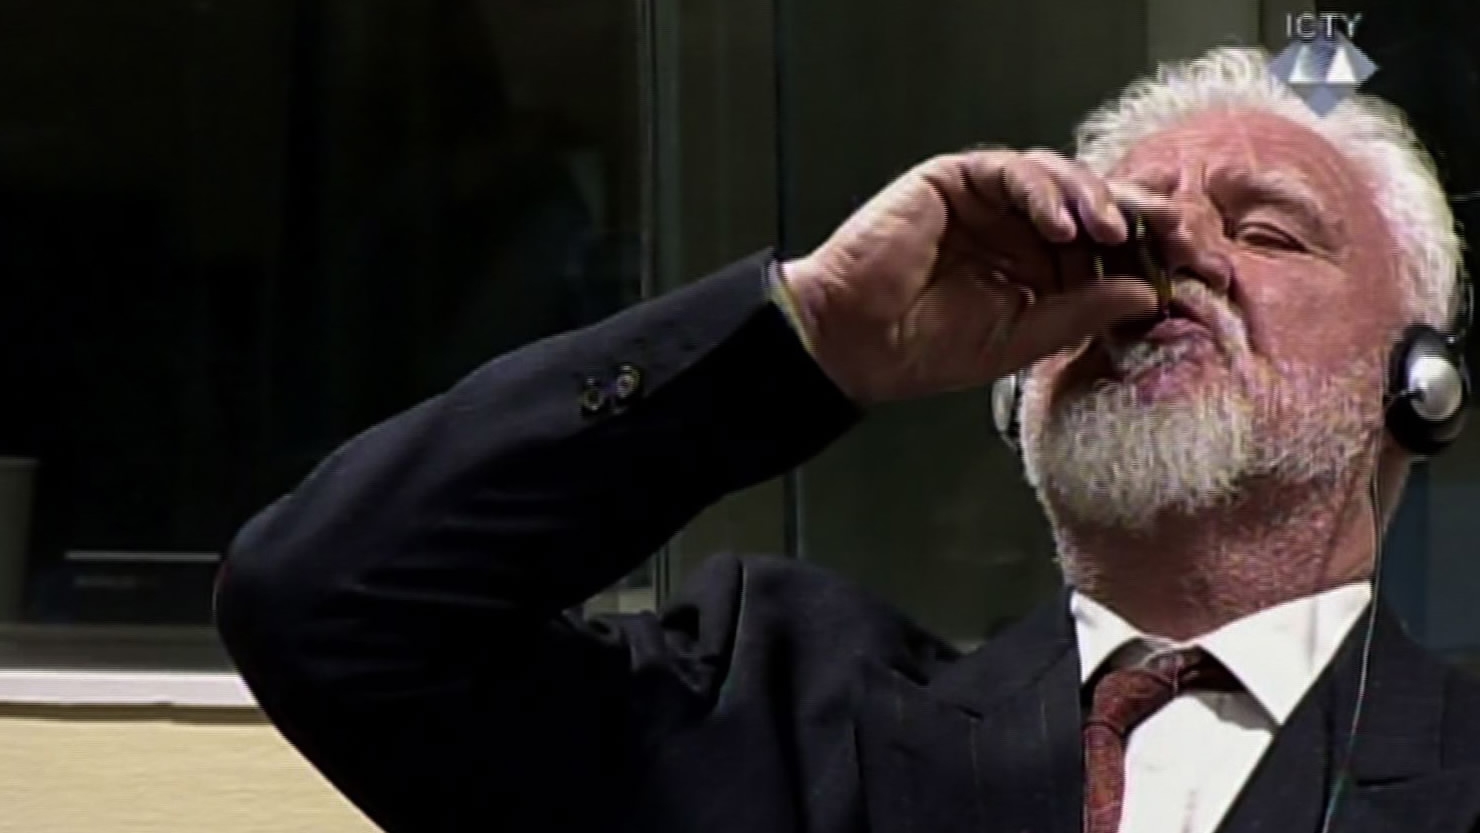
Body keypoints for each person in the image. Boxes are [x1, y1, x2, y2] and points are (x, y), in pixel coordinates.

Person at [213, 47, 1480, 833]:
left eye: (1265, 231)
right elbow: (329, 605)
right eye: (1120, 232)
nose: (1174, 254)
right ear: (1020, 390)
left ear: (1416, 379)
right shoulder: (771, 716)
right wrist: (808, 334)